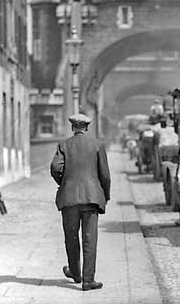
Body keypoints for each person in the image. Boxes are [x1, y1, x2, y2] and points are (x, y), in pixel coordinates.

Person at [50, 113, 111, 291]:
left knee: (71, 237)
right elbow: (105, 176)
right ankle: (88, 280)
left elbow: (55, 168)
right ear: (87, 128)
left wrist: (64, 183)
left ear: (73, 128)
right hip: (92, 198)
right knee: (89, 239)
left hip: (69, 198)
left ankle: (75, 273)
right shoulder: (97, 145)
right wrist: (104, 195)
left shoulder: (64, 145)